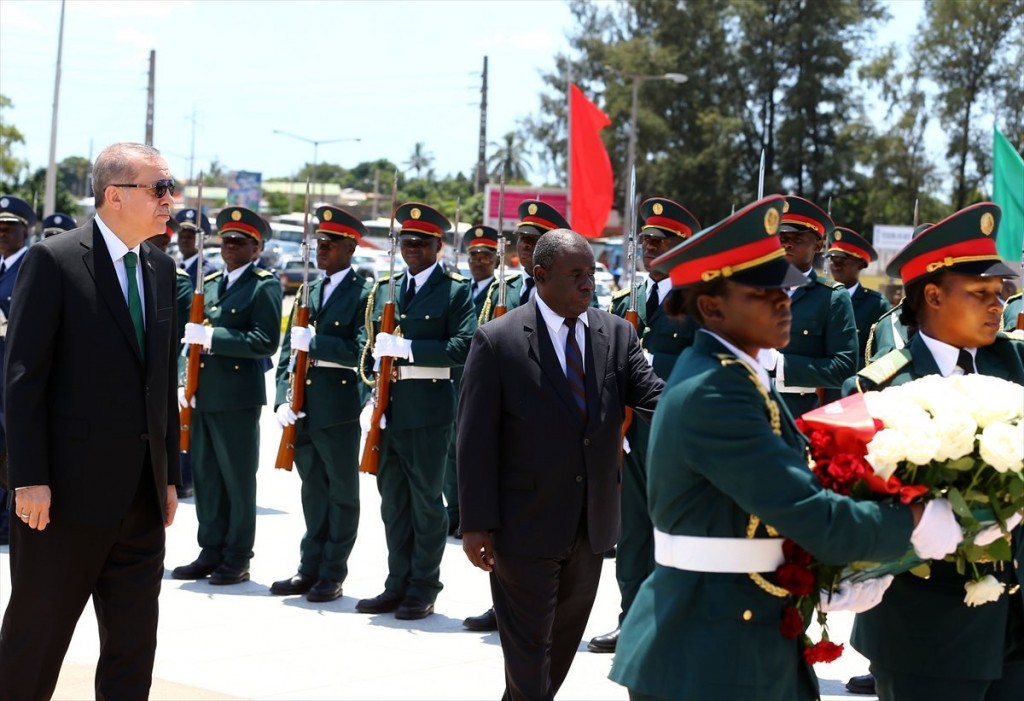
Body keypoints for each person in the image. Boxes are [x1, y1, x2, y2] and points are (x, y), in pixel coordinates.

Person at [608, 196, 963, 701]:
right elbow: (806, 511)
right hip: (707, 648)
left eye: (785, 290)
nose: (784, 302)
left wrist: (828, 572)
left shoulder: (735, 374)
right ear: (711, 307)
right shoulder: (717, 390)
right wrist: (916, 524)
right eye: (765, 292)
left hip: (734, 628)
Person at [0, 143, 180, 699]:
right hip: (62, 502)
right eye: (158, 188)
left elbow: (161, 383)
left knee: (132, 650)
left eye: (170, 188)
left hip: (141, 500)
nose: (169, 200)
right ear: (114, 195)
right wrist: (29, 478)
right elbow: (23, 380)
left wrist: (170, 475)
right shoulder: (54, 261)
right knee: (35, 644)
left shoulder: (161, 267)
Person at [458, 229, 663, 700]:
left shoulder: (617, 333)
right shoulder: (498, 340)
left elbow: (655, 397)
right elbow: (474, 441)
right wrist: (475, 523)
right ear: (541, 275)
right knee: (529, 652)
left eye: (591, 273)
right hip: (523, 524)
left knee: (559, 650)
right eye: (576, 275)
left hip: (591, 526)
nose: (588, 284)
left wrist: (714, 401)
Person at [845, 202, 1024, 701]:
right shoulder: (881, 388)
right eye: (981, 293)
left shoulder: (1017, 362)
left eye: (1000, 292)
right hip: (926, 631)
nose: (998, 304)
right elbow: (861, 511)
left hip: (1016, 624)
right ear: (933, 295)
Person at [589, 196, 701, 654]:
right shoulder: (625, 301)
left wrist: (655, 366)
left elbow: (706, 359)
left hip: (676, 433)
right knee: (633, 532)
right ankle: (632, 620)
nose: (650, 249)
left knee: (675, 531)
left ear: (682, 246)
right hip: (629, 433)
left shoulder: (698, 300)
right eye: (646, 242)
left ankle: (674, 623)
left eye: (660, 242)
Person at [461, 200, 579, 633]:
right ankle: (503, 603)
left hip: (553, 425)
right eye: (522, 240)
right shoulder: (505, 290)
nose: (525, 247)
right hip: (507, 419)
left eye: (535, 240)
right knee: (506, 520)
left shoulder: (576, 290)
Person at [355, 202, 476, 620]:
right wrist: (369, 399)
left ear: (438, 246)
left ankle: (423, 587)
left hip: (428, 409)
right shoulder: (385, 288)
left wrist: (408, 348)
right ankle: (397, 584)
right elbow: (370, 350)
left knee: (426, 502)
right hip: (388, 408)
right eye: (407, 241)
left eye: (422, 242)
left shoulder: (454, 290)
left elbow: (464, 347)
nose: (413, 248)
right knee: (393, 502)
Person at [171, 206, 281, 585]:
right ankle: (210, 550)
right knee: (206, 478)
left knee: (237, 480)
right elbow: (191, 342)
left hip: (237, 398)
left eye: (240, 241)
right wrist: (185, 380)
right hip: (204, 394)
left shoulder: (264, 285)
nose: (231, 246)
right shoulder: (212, 282)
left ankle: (237, 556)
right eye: (227, 240)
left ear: (256, 247)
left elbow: (265, 341)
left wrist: (214, 337)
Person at [270, 206, 371, 603]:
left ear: (350, 247)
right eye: (318, 243)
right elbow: (286, 355)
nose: (321, 249)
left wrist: (318, 343)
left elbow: (363, 353)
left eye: (330, 243)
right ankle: (308, 567)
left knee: (342, 495)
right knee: (312, 491)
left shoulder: (364, 293)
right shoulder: (308, 291)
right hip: (304, 407)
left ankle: (332, 572)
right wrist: (282, 398)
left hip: (338, 407)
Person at [760, 195, 856, 416]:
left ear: (819, 245)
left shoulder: (831, 297)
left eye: (797, 238)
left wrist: (780, 365)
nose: (787, 244)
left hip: (796, 413)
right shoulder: (753, 289)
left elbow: (843, 368)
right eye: (782, 237)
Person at [443, 225, 500, 540]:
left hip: (485, 383)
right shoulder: (459, 290)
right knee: (451, 452)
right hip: (455, 378)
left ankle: (474, 515)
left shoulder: (502, 293)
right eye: (474, 255)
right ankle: (454, 513)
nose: (479, 261)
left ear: (496, 260)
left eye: (486, 255)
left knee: (478, 453)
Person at [0, 195, 36, 547]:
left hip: (14, 371)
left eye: (9, 227)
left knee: (13, 445)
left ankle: (11, 518)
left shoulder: (31, 266)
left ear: (26, 231)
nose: (2, 233)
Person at [825, 226, 889, 370]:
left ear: (860, 264)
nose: (836, 267)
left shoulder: (876, 305)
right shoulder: (821, 296)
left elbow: (881, 354)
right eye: (833, 260)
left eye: (842, 261)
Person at [176, 208, 216, 287]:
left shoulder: (207, 271)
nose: (184, 240)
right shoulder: (175, 266)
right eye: (181, 236)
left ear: (201, 240)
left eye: (189, 237)